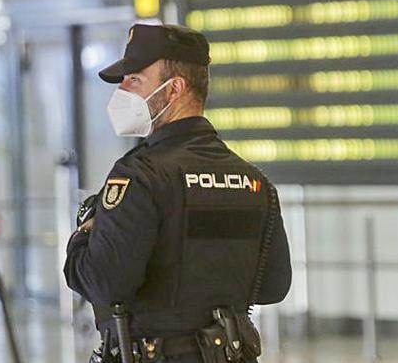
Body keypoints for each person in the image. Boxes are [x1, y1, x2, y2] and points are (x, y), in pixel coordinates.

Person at [63, 24, 292, 363]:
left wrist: (81, 239)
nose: (123, 90)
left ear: (175, 89)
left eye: (135, 80)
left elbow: (104, 283)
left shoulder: (141, 176)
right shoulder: (253, 180)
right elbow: (273, 285)